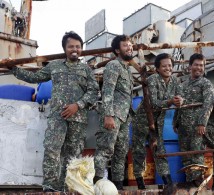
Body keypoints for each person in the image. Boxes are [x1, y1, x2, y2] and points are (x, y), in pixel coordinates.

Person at [11, 31, 99, 192]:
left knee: (73, 156)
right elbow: (34, 78)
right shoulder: (54, 66)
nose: (75, 49)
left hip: (78, 119)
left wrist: (77, 105)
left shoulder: (86, 69)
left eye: (78, 47)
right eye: (71, 46)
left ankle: (69, 187)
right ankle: (50, 188)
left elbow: (94, 92)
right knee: (52, 150)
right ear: (65, 48)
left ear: (81, 49)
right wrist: (14, 69)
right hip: (57, 117)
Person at [131, 53, 183, 189]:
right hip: (143, 121)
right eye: (164, 66)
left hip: (158, 123)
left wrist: (180, 100)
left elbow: (181, 96)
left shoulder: (175, 82)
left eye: (170, 65)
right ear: (158, 69)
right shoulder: (152, 80)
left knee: (160, 150)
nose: (168, 68)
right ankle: (139, 182)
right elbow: (153, 103)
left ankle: (168, 182)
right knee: (139, 151)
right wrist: (171, 101)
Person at [93, 34, 134, 190]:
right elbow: (107, 91)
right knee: (105, 150)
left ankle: (117, 186)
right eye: (125, 45)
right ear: (117, 50)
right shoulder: (114, 66)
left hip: (124, 117)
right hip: (113, 115)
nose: (129, 47)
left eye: (130, 45)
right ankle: (96, 185)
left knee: (121, 152)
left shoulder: (127, 70)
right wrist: (108, 115)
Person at [173, 53, 214, 186]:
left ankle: (198, 183)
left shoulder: (206, 84)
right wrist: (175, 122)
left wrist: (202, 123)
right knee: (186, 156)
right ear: (190, 66)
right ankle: (190, 182)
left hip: (197, 127)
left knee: (196, 154)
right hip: (183, 128)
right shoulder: (182, 85)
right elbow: (179, 105)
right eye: (196, 65)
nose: (199, 68)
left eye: (201, 65)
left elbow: (208, 104)